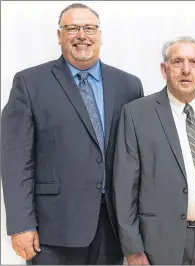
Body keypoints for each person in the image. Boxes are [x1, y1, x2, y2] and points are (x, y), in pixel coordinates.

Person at [1, 3, 144, 264]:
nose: (82, 35)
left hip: (112, 228)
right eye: (72, 28)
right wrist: (21, 224)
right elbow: (15, 159)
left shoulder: (128, 85)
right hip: (54, 230)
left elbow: (136, 157)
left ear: (100, 34)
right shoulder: (29, 83)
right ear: (59, 35)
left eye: (89, 28)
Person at [113, 36, 195, 265]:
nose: (186, 70)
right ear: (164, 68)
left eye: (193, 62)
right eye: (178, 62)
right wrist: (132, 247)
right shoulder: (137, 114)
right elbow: (124, 186)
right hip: (159, 242)